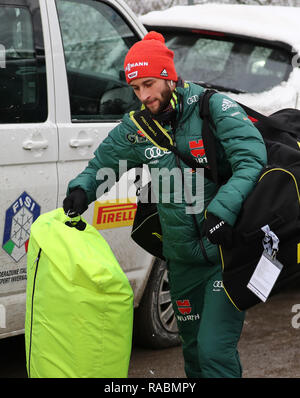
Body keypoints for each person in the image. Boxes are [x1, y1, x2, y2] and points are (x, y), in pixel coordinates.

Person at [63, 31, 267, 378]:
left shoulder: (212, 107)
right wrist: (81, 192)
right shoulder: (139, 126)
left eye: (149, 84)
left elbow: (252, 158)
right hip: (180, 261)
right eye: (136, 89)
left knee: (214, 351)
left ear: (168, 76)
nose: (144, 96)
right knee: (193, 353)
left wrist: (223, 210)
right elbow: (103, 166)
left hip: (224, 254)